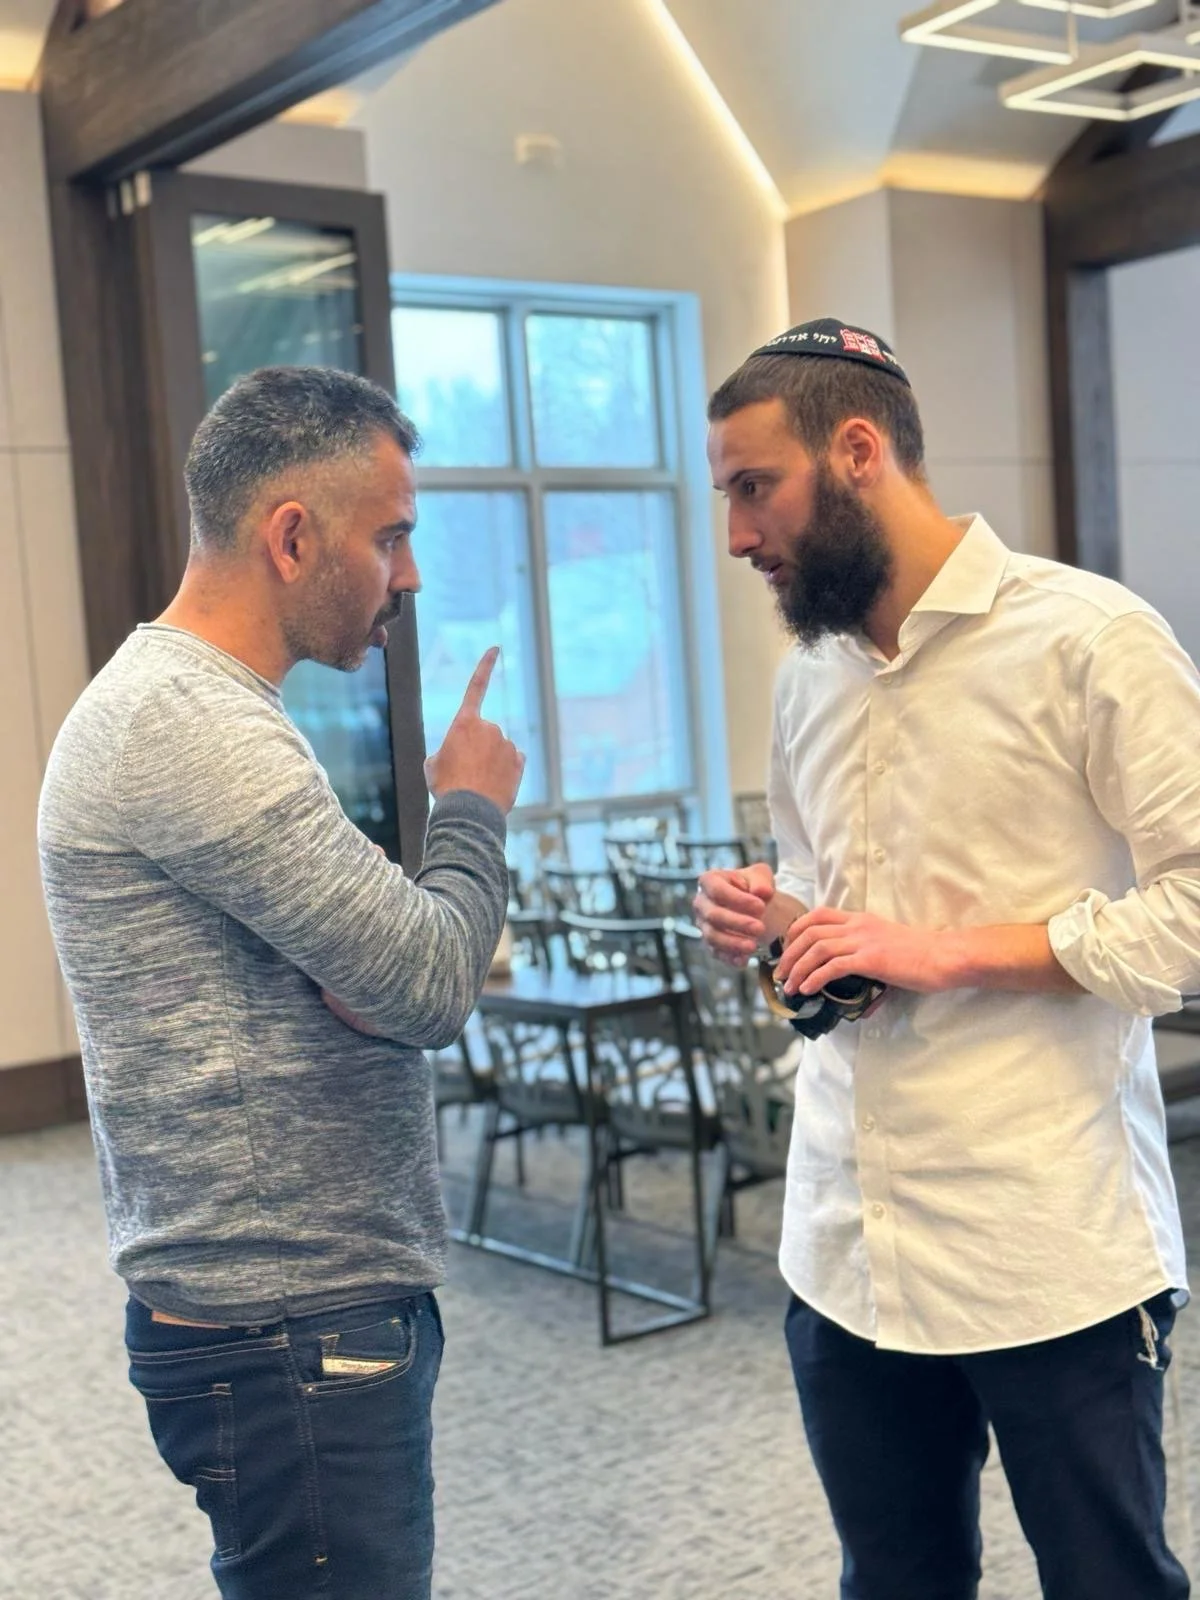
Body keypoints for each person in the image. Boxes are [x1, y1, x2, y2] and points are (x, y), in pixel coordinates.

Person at [694, 317, 1200, 1600]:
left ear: (858, 452)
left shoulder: (1091, 639)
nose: (738, 535)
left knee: (1109, 1584)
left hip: (1045, 1244)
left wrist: (939, 950)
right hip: (844, 1247)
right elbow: (825, 930)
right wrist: (781, 933)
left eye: (756, 487)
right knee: (896, 1581)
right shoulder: (809, 676)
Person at [37, 365, 524, 1600]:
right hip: (291, 1326)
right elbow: (424, 980)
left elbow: (393, 970)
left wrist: (396, 964)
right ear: (293, 536)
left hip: (286, 1313)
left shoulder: (194, 712)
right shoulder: (189, 728)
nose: (407, 574)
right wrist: (469, 805)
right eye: (393, 536)